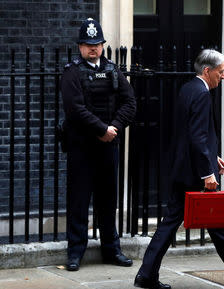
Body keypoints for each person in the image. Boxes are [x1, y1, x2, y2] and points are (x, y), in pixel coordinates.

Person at [134, 49, 224, 289]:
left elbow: (192, 134)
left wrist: (213, 156)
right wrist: (207, 172)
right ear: (207, 71)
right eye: (220, 72)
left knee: (173, 223)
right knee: (218, 223)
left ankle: (147, 273)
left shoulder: (188, 89)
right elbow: (197, 137)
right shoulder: (201, 94)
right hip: (195, 172)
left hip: (184, 167)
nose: (223, 76)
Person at [61, 18, 136, 271]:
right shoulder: (72, 72)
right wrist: (102, 129)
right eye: (87, 44)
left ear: (103, 45)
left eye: (96, 44)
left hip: (107, 146)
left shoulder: (114, 70)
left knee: (107, 200)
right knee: (79, 200)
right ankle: (75, 253)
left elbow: (130, 103)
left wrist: (113, 127)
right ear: (80, 46)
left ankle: (111, 250)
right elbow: (75, 109)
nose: (92, 48)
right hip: (81, 147)